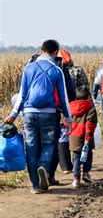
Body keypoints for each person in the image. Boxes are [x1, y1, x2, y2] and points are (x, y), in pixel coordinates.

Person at [4, 40, 72, 194]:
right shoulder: (57, 70)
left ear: (41, 51)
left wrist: (14, 114)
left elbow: (22, 95)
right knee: (48, 144)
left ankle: (35, 185)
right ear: (56, 53)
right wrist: (69, 119)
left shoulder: (29, 68)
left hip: (29, 113)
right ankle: (43, 165)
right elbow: (63, 98)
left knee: (31, 147)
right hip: (49, 113)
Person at [68, 86, 97, 188]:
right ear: (88, 96)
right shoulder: (90, 108)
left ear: (76, 98)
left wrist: (68, 131)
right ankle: (85, 173)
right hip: (85, 137)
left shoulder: (70, 107)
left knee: (76, 158)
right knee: (88, 154)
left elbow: (64, 120)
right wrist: (88, 137)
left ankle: (76, 179)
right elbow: (90, 124)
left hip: (74, 137)